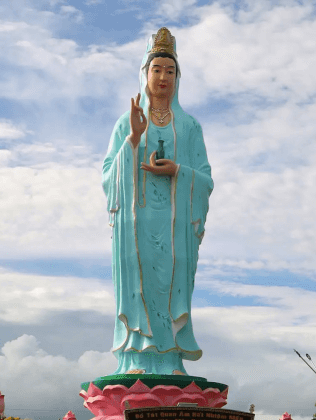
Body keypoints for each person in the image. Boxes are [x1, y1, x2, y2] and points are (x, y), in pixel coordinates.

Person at [102, 26, 213, 376]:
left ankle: (170, 359)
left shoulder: (190, 126)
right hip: (138, 222)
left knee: (170, 286)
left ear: (178, 78)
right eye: (157, 69)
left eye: (170, 70)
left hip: (175, 226)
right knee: (140, 284)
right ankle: (135, 358)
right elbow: (108, 175)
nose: (163, 76)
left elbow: (206, 179)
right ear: (145, 74)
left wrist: (178, 171)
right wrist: (134, 139)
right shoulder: (127, 121)